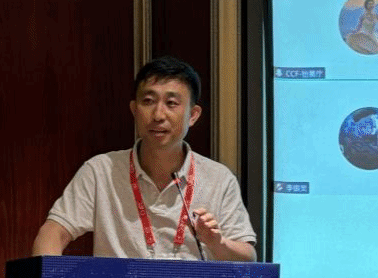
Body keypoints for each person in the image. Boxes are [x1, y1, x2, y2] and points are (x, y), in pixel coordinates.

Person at [32, 56, 256, 262]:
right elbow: (53, 233)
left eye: (171, 103)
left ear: (193, 115)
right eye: (148, 101)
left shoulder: (219, 178)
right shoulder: (100, 171)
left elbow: (248, 258)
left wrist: (217, 243)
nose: (158, 115)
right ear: (134, 110)